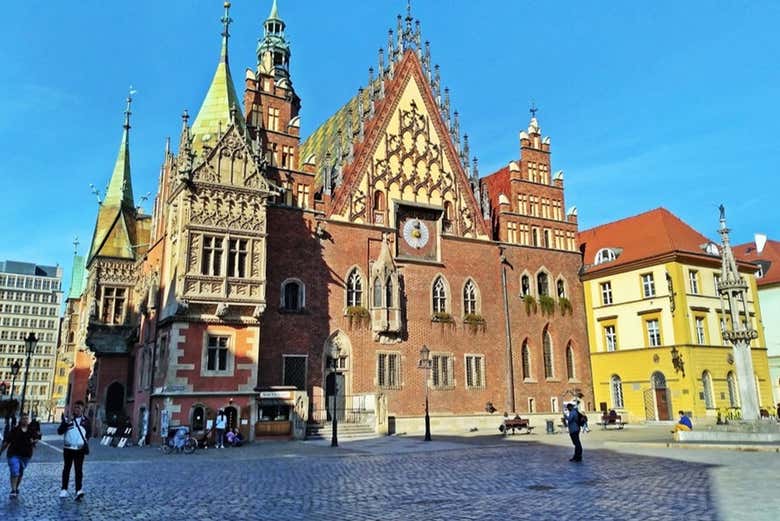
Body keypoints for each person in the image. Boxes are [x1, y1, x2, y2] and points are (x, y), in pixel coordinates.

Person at [57, 401, 91, 501]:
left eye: (79, 408)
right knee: (66, 469)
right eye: (75, 408)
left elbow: (88, 433)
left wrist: (84, 441)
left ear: (83, 409)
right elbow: (60, 431)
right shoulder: (68, 419)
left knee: (78, 470)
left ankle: (78, 489)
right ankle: (64, 489)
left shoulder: (86, 421)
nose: (77, 410)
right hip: (68, 448)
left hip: (80, 449)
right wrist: (66, 423)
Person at [0, 413, 37, 499]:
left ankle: (16, 488)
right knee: (15, 470)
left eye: (26, 418)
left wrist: (34, 441)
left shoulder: (31, 430)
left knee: (20, 472)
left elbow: (35, 439)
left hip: (26, 456)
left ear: (28, 420)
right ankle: (13, 490)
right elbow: (7, 442)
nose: (25, 420)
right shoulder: (15, 430)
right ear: (20, 419)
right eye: (23, 418)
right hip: (13, 454)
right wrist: (1, 451)